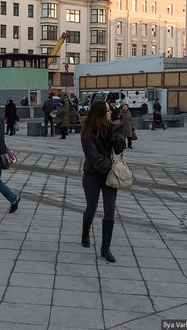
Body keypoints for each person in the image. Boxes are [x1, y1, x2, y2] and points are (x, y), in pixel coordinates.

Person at [80, 100, 119, 262]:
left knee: (110, 211)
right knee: (91, 208)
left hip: (109, 176)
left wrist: (113, 134)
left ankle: (105, 248)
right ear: (100, 113)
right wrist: (112, 164)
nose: (111, 113)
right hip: (92, 176)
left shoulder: (110, 127)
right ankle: (85, 232)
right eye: (108, 111)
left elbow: (119, 148)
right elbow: (94, 160)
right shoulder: (87, 132)